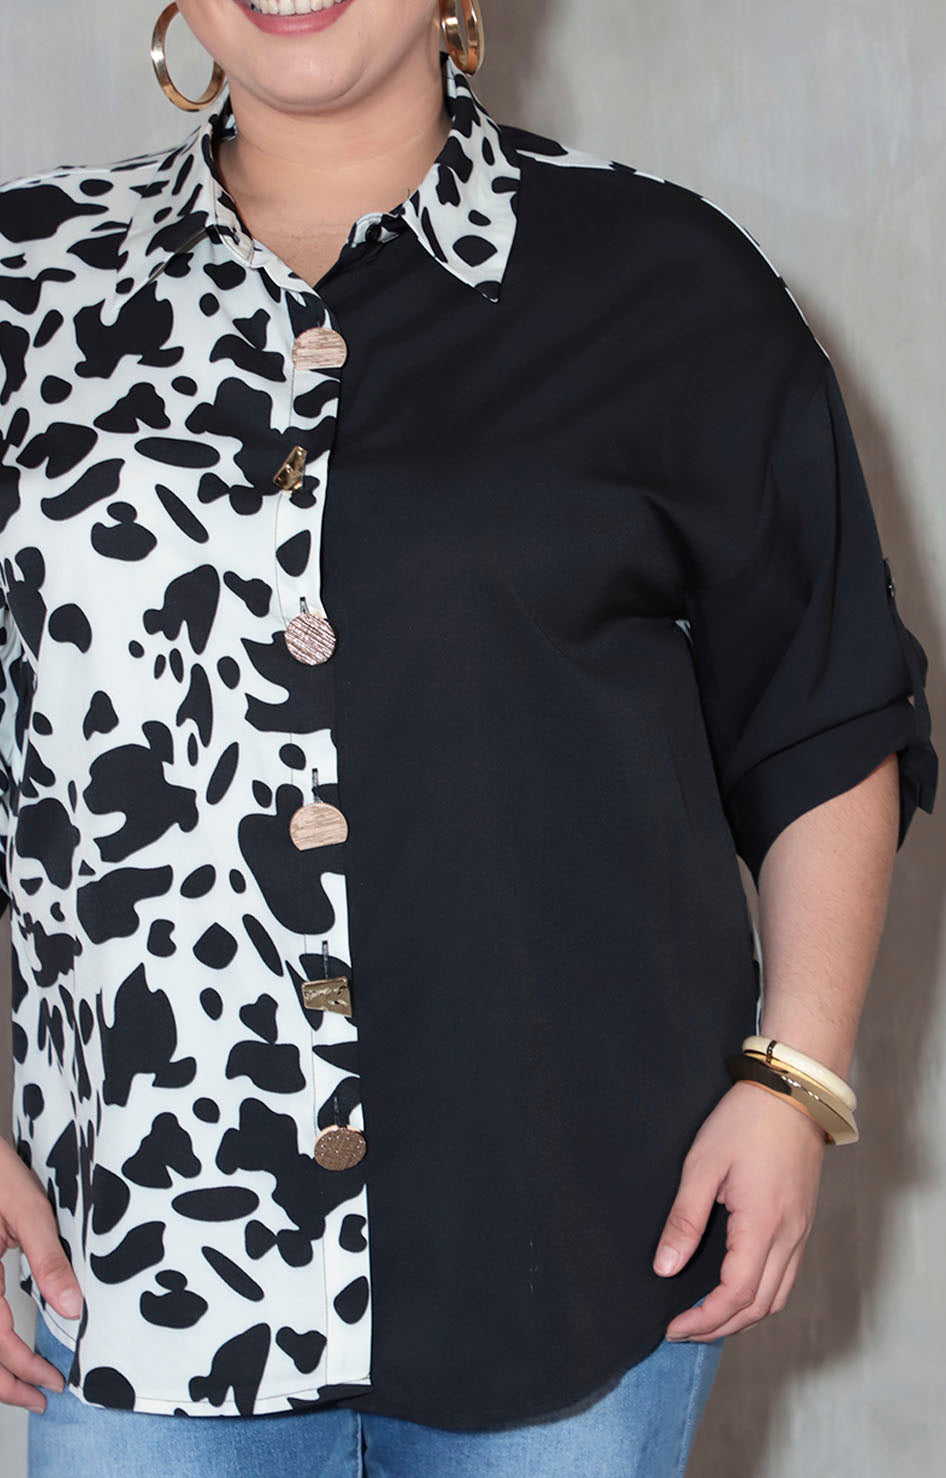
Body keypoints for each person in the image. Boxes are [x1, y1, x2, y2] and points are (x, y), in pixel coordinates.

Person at [0, 1, 937, 1473]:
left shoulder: (664, 281)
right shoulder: (28, 284)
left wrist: (796, 1079)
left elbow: (821, 706)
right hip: (139, 1265)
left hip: (577, 1254)